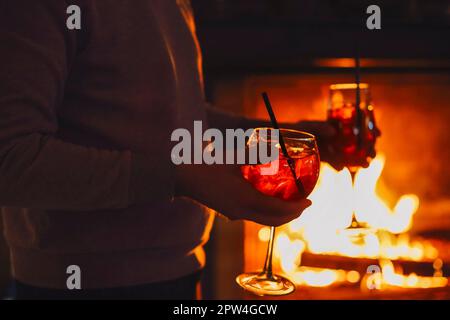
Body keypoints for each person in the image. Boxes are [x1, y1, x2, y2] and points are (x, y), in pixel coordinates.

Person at [0, 1, 376, 299]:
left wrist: (275, 137)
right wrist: (183, 178)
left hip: (179, 272)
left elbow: (177, 120)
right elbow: (9, 159)